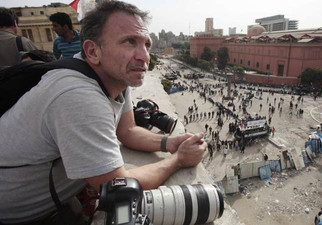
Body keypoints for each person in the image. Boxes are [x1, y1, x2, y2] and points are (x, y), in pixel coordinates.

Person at [0, 1, 206, 224]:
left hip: (58, 194)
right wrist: (178, 160)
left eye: (146, 44)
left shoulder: (115, 76)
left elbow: (127, 131)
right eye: (129, 42)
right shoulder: (77, 95)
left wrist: (170, 143)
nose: (144, 56)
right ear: (92, 51)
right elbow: (116, 183)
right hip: (22, 213)